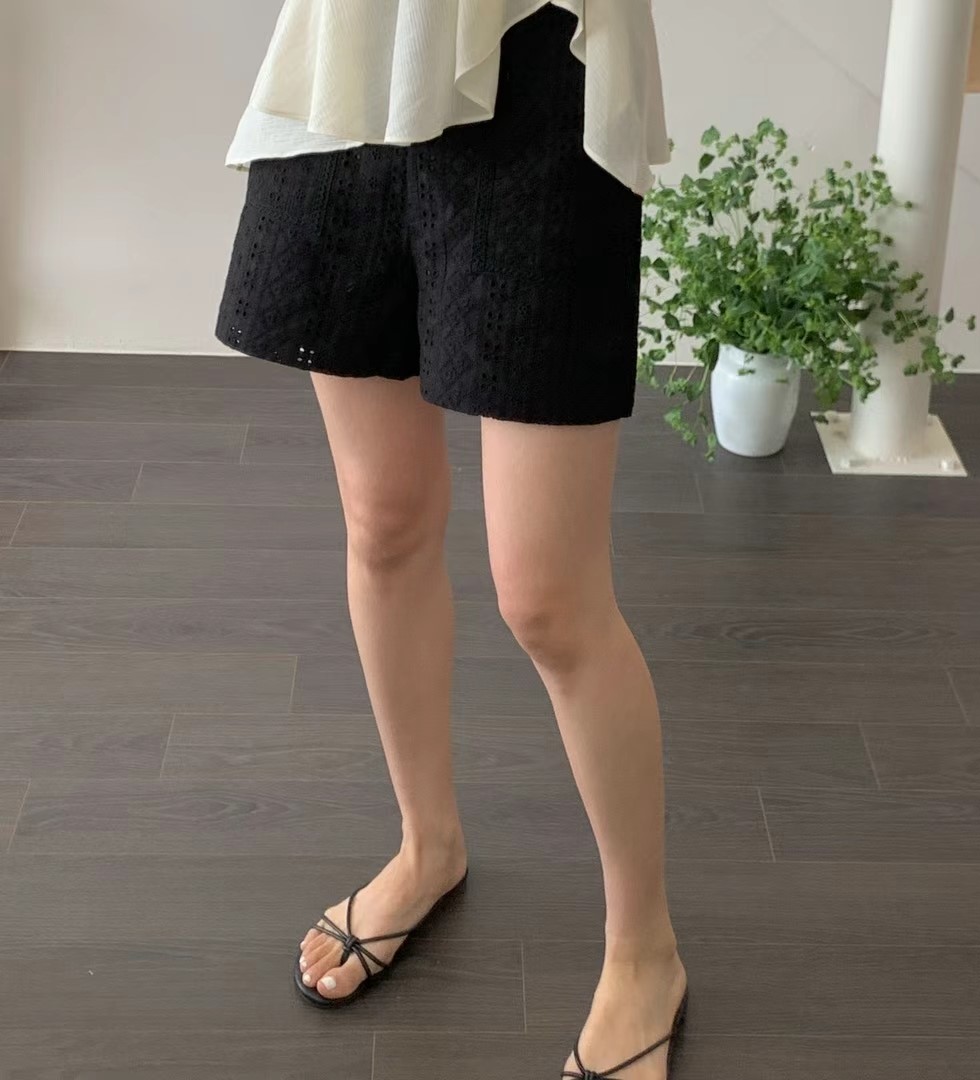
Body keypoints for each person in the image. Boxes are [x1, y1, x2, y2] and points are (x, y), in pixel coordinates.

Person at [216, 2, 686, 1076]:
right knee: (383, 520)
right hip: (351, 66)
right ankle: (427, 843)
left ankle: (645, 951)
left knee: (549, 599)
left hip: (538, 55)